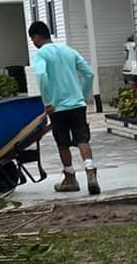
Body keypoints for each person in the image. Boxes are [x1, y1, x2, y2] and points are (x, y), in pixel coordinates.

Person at [27, 22, 99, 196]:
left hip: (57, 107)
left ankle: (70, 178)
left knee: (63, 142)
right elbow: (89, 73)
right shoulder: (68, 50)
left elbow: (42, 75)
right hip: (78, 105)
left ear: (36, 36)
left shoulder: (41, 55)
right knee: (82, 139)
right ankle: (90, 171)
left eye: (32, 39)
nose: (33, 42)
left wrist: (47, 101)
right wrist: (82, 94)